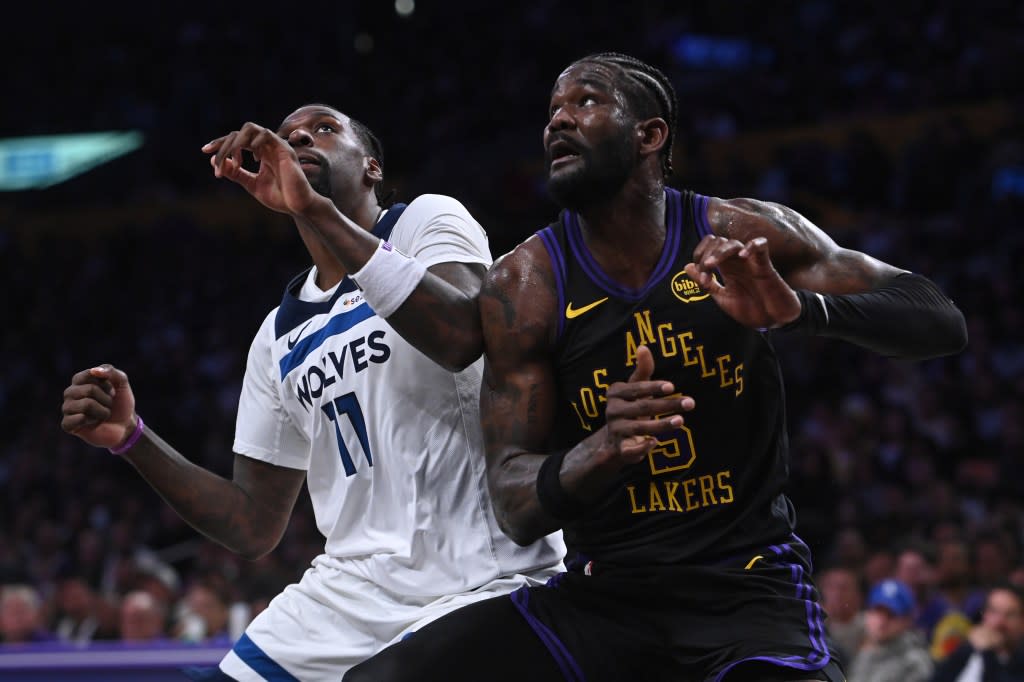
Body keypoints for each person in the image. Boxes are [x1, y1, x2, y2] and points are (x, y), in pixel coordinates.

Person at [344, 52, 967, 681]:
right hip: (603, 599)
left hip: (747, 591)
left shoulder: (739, 232)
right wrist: (602, 449)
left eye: (586, 101)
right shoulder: (525, 285)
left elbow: (938, 317)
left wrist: (801, 311)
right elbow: (514, 504)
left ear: (650, 134)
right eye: (553, 110)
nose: (558, 120)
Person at [60, 103, 564, 679]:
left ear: (372, 167)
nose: (299, 138)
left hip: (480, 574)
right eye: (288, 136)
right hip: (351, 592)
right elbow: (252, 523)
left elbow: (462, 335)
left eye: (324, 129)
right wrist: (131, 438)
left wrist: (313, 209)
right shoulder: (276, 336)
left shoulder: (425, 221)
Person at [931, 584, 1024, 681]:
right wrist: (970, 648)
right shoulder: (966, 651)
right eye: (993, 611)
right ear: (984, 615)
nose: (999, 622)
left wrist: (988, 654)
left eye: (1010, 615)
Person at [848, 579, 933, 682]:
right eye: (878, 612)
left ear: (907, 620)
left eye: (891, 615)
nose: (882, 621)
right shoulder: (863, 653)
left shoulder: (915, 662)